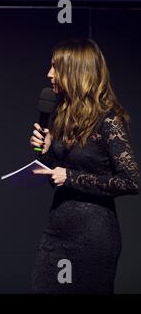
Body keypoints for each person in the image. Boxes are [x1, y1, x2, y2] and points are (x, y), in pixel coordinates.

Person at [30, 38, 139, 293]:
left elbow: (131, 181)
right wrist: (46, 153)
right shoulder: (60, 114)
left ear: (75, 71)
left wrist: (70, 177)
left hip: (94, 238)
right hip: (56, 232)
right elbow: (53, 176)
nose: (49, 74)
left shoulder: (109, 119)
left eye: (55, 68)